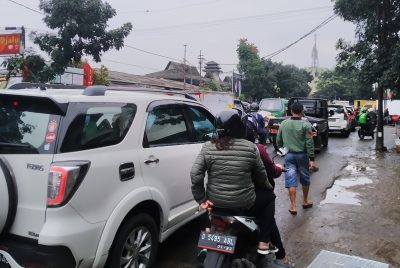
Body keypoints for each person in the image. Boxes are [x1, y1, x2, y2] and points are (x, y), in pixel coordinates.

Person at [191, 109, 278, 255]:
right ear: (239, 127)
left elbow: (195, 174)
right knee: (270, 198)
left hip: (215, 202)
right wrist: (267, 188)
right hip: (244, 203)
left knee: (205, 216)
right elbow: (261, 176)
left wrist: (201, 199)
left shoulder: (207, 147)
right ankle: (263, 242)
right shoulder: (250, 148)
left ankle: (207, 244)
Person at [245, 122, 295, 267]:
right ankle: (278, 254)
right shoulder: (257, 149)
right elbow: (268, 172)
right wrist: (277, 170)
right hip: (248, 196)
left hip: (219, 197)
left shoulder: (215, 147)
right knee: (268, 206)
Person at [277, 102, 315, 215]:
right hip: (303, 155)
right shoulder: (306, 125)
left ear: (291, 111)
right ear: (302, 111)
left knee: (291, 180)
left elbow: (278, 140)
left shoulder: (284, 123)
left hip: (288, 155)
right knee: (305, 178)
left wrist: (282, 149)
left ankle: (293, 206)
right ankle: (305, 201)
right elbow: (310, 142)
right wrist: (312, 159)